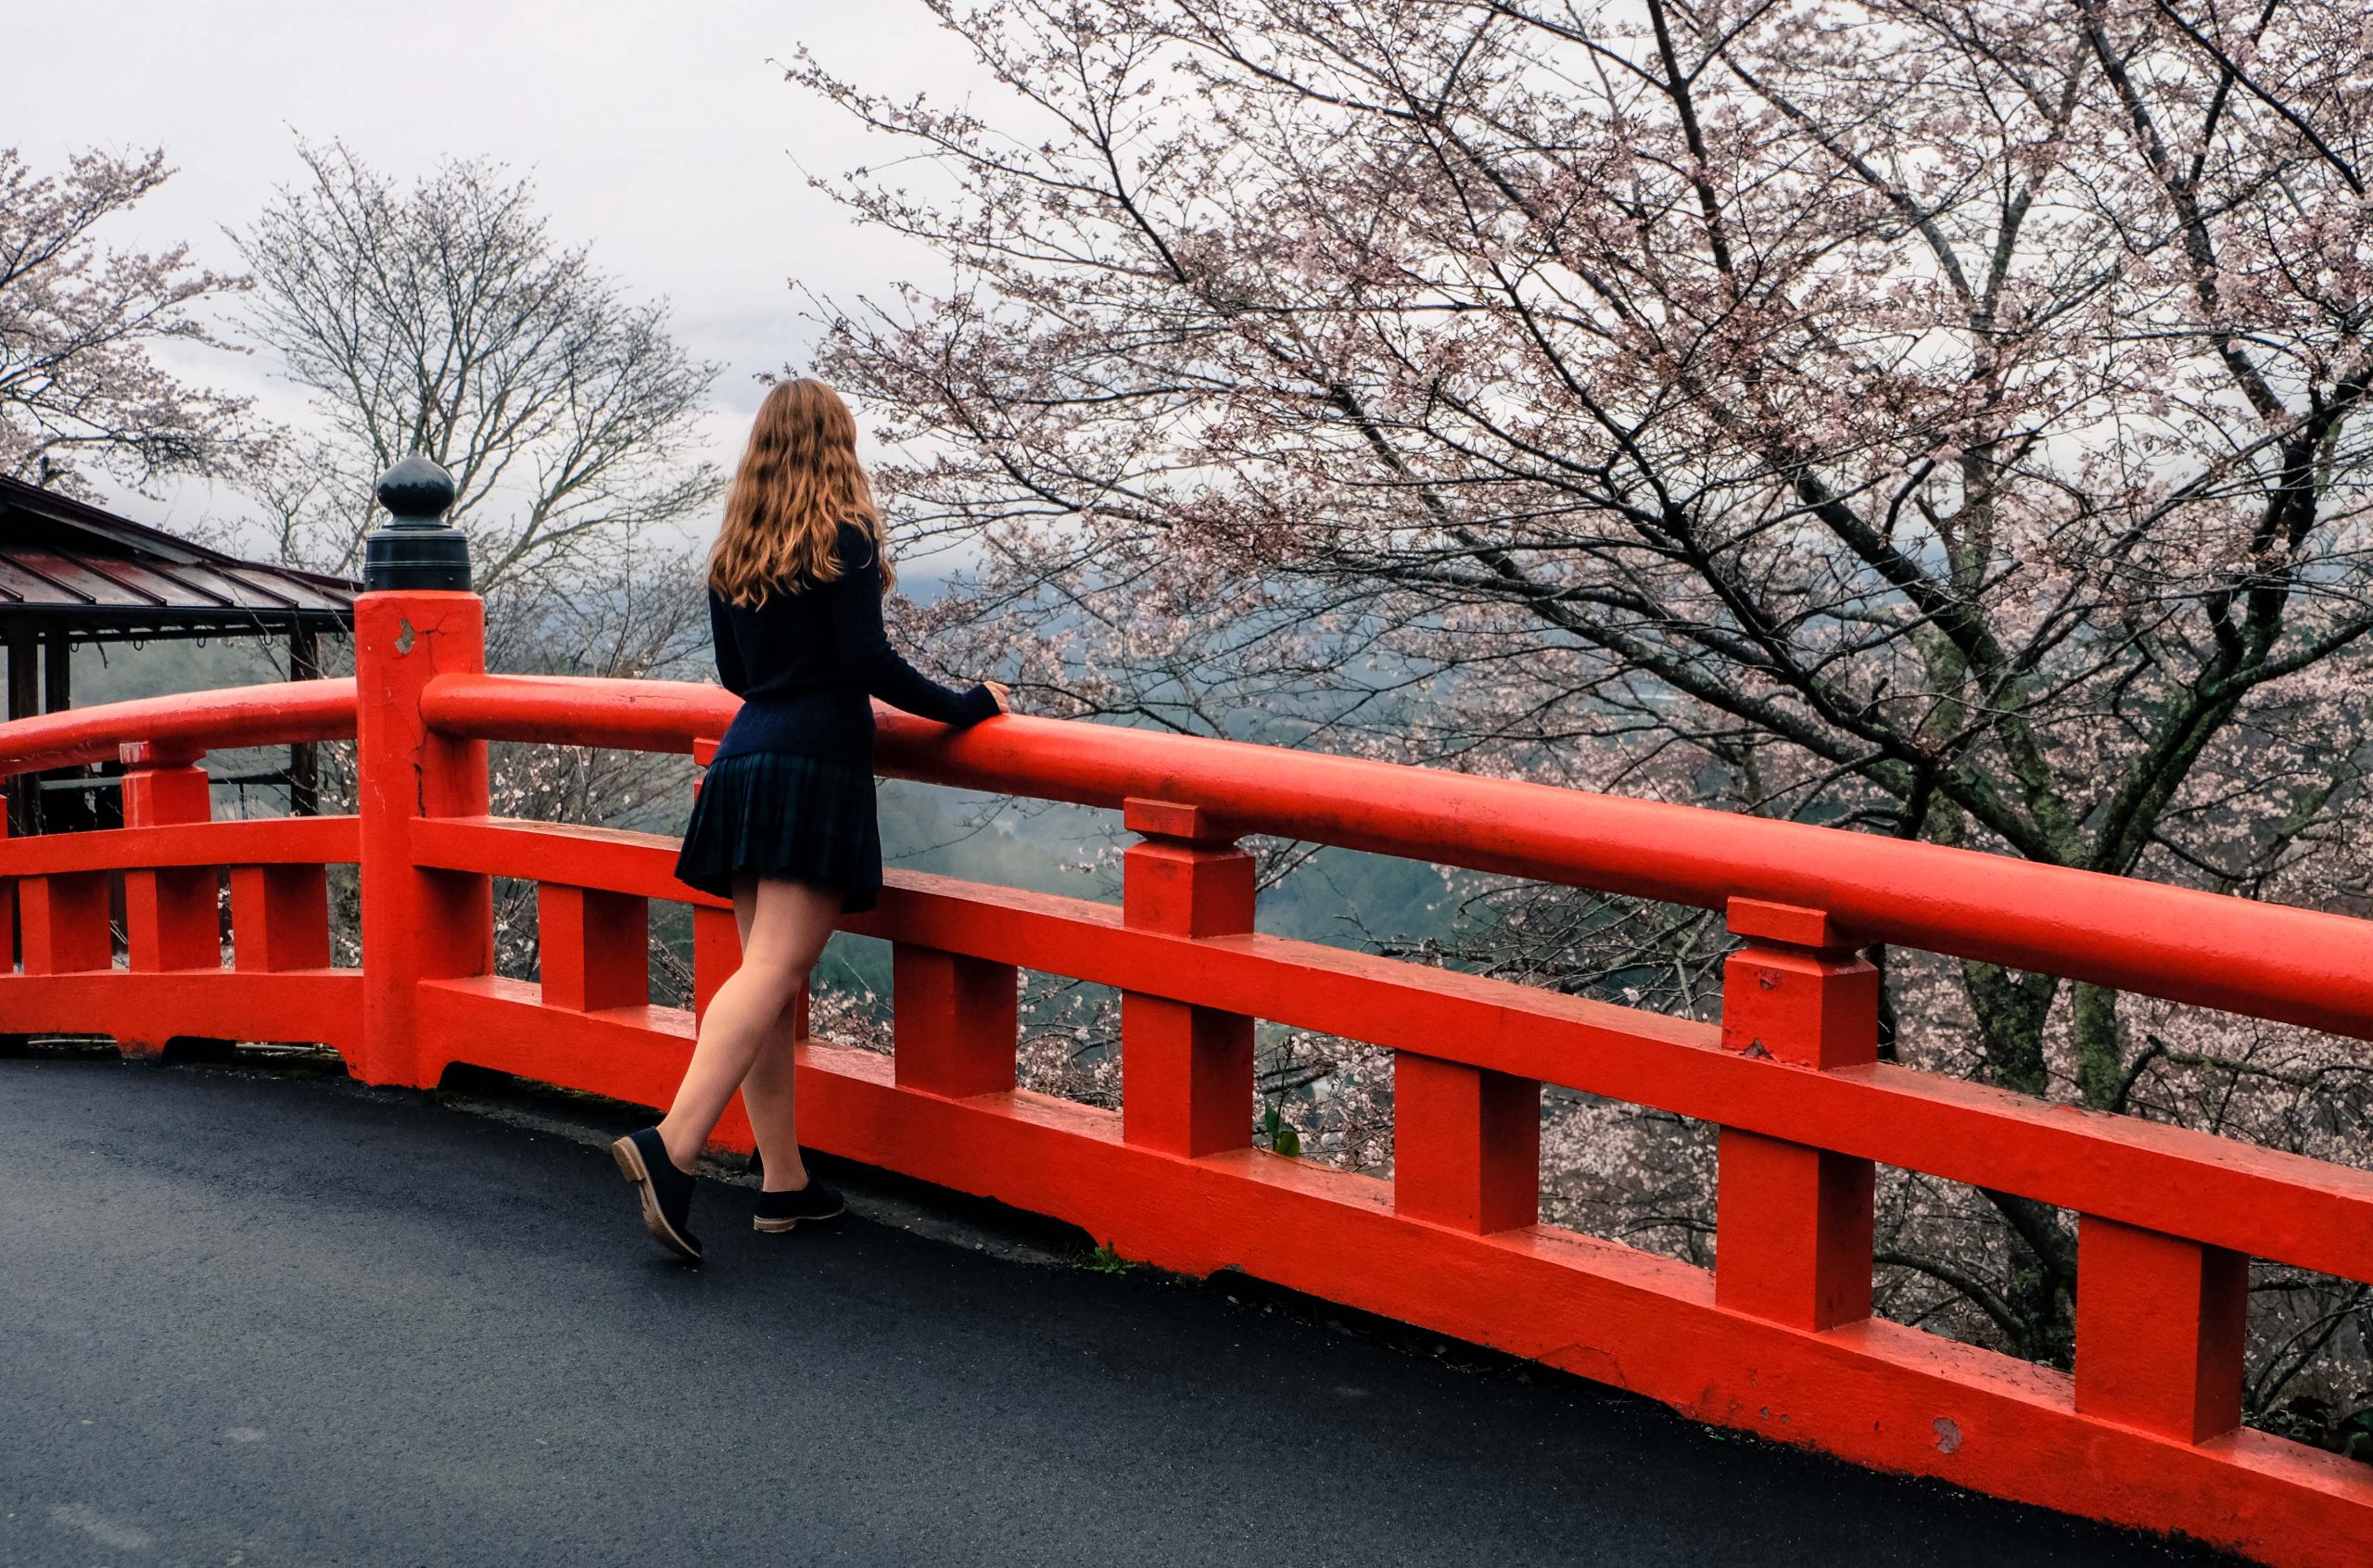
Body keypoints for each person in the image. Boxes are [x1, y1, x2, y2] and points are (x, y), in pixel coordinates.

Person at [610, 378, 1010, 1262]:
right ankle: (672, 1145)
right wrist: (965, 705)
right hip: (815, 763)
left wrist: (785, 697)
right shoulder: (846, 533)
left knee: (763, 974)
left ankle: (785, 1182)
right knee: (774, 972)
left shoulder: (734, 551)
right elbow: (867, 658)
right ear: (838, 445)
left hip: (745, 760)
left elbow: (733, 672)